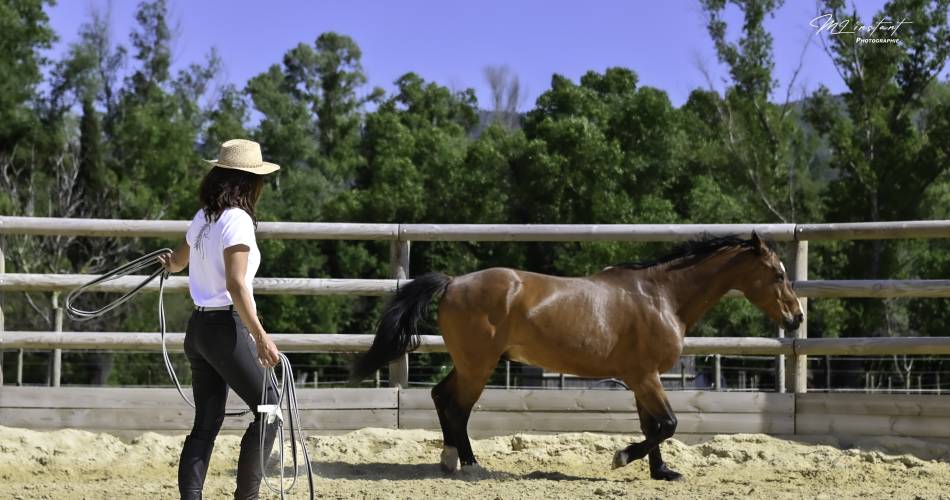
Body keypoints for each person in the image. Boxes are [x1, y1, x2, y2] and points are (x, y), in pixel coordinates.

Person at [158, 138, 282, 500]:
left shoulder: (203, 218)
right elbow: (236, 284)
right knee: (270, 407)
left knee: (206, 423)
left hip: (198, 330)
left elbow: (178, 262)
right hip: (226, 329)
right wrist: (260, 335)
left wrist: (170, 262)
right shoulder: (239, 220)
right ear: (249, 182)